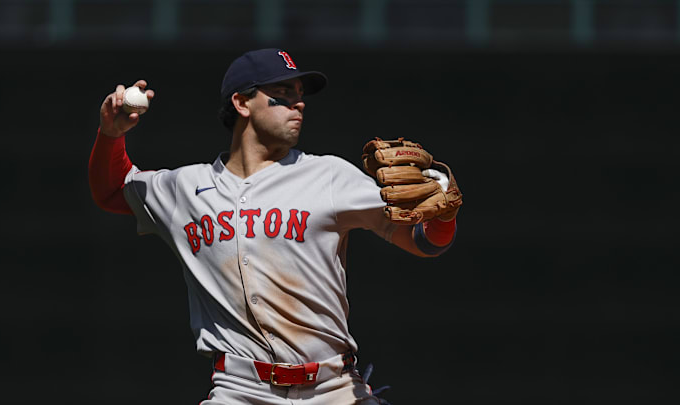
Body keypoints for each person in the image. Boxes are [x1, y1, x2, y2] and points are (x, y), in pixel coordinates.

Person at [89, 48, 458, 404]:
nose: (298, 103)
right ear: (242, 103)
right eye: (281, 94)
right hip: (240, 390)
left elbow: (424, 242)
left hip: (334, 390)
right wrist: (111, 135)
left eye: (300, 95)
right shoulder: (184, 189)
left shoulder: (328, 176)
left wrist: (444, 215)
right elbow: (111, 191)